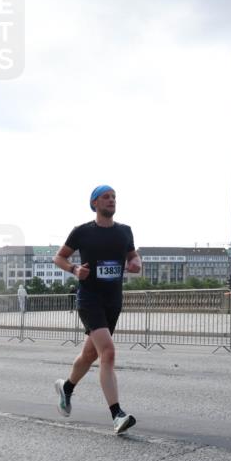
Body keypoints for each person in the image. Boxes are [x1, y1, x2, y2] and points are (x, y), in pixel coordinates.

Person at [52, 185, 142, 434]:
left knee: (90, 355)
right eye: (106, 197)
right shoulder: (81, 232)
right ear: (94, 203)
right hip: (89, 298)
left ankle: (66, 388)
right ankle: (117, 415)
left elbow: (133, 256)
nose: (111, 200)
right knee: (109, 353)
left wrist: (135, 263)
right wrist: (74, 270)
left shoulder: (125, 231)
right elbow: (58, 258)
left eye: (114, 197)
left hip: (113, 300)